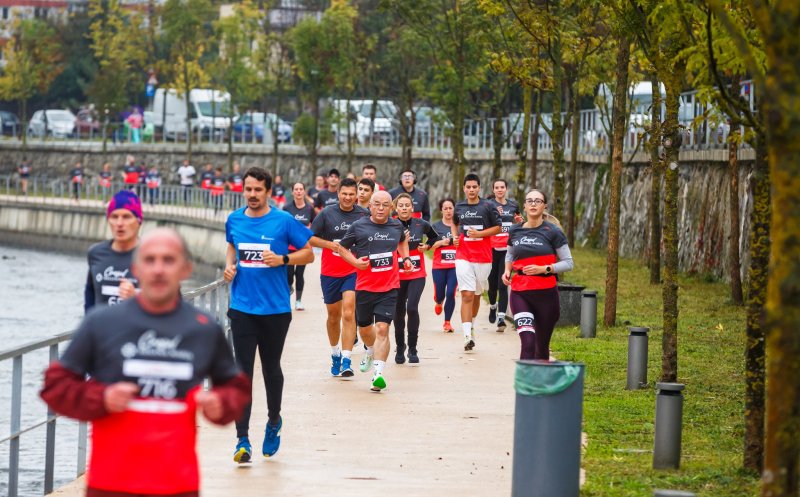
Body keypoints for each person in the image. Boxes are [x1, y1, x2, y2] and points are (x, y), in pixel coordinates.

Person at [41, 228, 251, 497]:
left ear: (186, 268)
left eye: (168, 260)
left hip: (177, 484)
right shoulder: (102, 323)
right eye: (150, 260)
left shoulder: (203, 329)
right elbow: (54, 386)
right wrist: (101, 397)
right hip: (111, 483)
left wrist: (219, 405)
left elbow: (237, 389)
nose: (159, 269)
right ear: (136, 268)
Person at [224, 166, 314, 462]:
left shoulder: (283, 221)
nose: (251, 194)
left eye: (257, 190)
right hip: (242, 308)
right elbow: (231, 247)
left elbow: (309, 253)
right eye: (247, 189)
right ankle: (242, 440)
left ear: (267, 192)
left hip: (275, 309)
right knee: (242, 372)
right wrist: (229, 266)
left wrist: (283, 259)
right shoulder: (234, 220)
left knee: (271, 367)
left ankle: (274, 421)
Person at [338, 191, 412, 392]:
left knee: (382, 329)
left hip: (389, 286)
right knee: (364, 329)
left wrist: (405, 259)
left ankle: (378, 375)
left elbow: (402, 241)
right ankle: (369, 351)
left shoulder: (397, 225)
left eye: (385, 205)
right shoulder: (358, 226)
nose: (381, 208)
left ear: (391, 208)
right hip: (364, 286)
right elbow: (341, 248)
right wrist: (355, 262)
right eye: (377, 204)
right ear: (369, 205)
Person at [502, 189, 574, 360]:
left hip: (546, 295)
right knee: (528, 342)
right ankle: (525, 387)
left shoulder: (553, 232)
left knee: (541, 349)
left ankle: (539, 385)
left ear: (544, 206)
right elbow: (510, 254)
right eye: (530, 201)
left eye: (538, 201)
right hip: (520, 293)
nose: (533, 204)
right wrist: (507, 270)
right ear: (525, 206)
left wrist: (545, 269)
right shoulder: (514, 230)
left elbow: (568, 263)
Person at [309, 178, 367, 377]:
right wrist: (330, 245)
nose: (348, 197)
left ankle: (347, 359)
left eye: (352, 194)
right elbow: (310, 237)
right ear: (338, 194)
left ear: (357, 195)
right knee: (333, 317)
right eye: (345, 194)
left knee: (349, 313)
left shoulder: (363, 214)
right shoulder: (327, 213)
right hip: (330, 272)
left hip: (353, 270)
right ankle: (335, 354)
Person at [451, 173, 502, 351]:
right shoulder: (459, 206)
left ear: (479, 188)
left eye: (474, 187)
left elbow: (498, 228)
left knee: (477, 294)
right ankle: (466, 336)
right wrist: (455, 237)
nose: (471, 190)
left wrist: (479, 234)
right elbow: (454, 223)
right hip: (463, 255)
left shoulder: (488, 206)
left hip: (484, 258)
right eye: (468, 187)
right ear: (464, 188)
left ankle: (471, 325)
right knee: (467, 295)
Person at [392, 193, 439, 364]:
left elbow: (436, 237)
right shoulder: (391, 224)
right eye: (401, 205)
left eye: (407, 205)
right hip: (397, 274)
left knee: (412, 308)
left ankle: (412, 348)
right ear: (396, 208)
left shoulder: (421, 224)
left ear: (412, 208)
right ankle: (400, 346)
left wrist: (426, 246)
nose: (404, 208)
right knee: (398, 311)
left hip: (417, 273)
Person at [84, 191, 143, 313]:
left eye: (126, 217)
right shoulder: (96, 253)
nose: (119, 223)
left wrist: (137, 299)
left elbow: (173, 309)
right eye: (114, 217)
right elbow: (90, 301)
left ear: (138, 221)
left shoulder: (154, 256)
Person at [486, 179, 521, 332]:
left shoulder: (513, 205)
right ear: (493, 190)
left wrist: (520, 221)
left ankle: (501, 318)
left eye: (502, 187)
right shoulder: (488, 205)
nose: (499, 190)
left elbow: (519, 221)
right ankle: (493, 305)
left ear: (506, 189)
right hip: (491, 249)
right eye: (497, 187)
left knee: (503, 283)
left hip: (507, 250)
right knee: (492, 284)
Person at [283, 182, 315, 310]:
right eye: (296, 189)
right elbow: (282, 225)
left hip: (304, 248)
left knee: (299, 273)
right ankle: (288, 292)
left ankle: (298, 301)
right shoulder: (286, 208)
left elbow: (315, 225)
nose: (298, 191)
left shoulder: (309, 209)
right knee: (289, 274)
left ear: (304, 192)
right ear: (292, 192)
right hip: (289, 247)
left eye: (301, 189)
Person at [430, 198, 458, 333]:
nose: (448, 211)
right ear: (441, 210)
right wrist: (442, 242)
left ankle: (447, 322)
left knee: (451, 292)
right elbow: (430, 246)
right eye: (445, 208)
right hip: (439, 266)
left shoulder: (459, 226)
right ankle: (438, 300)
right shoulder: (435, 226)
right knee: (441, 294)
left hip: (455, 265)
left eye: (450, 208)